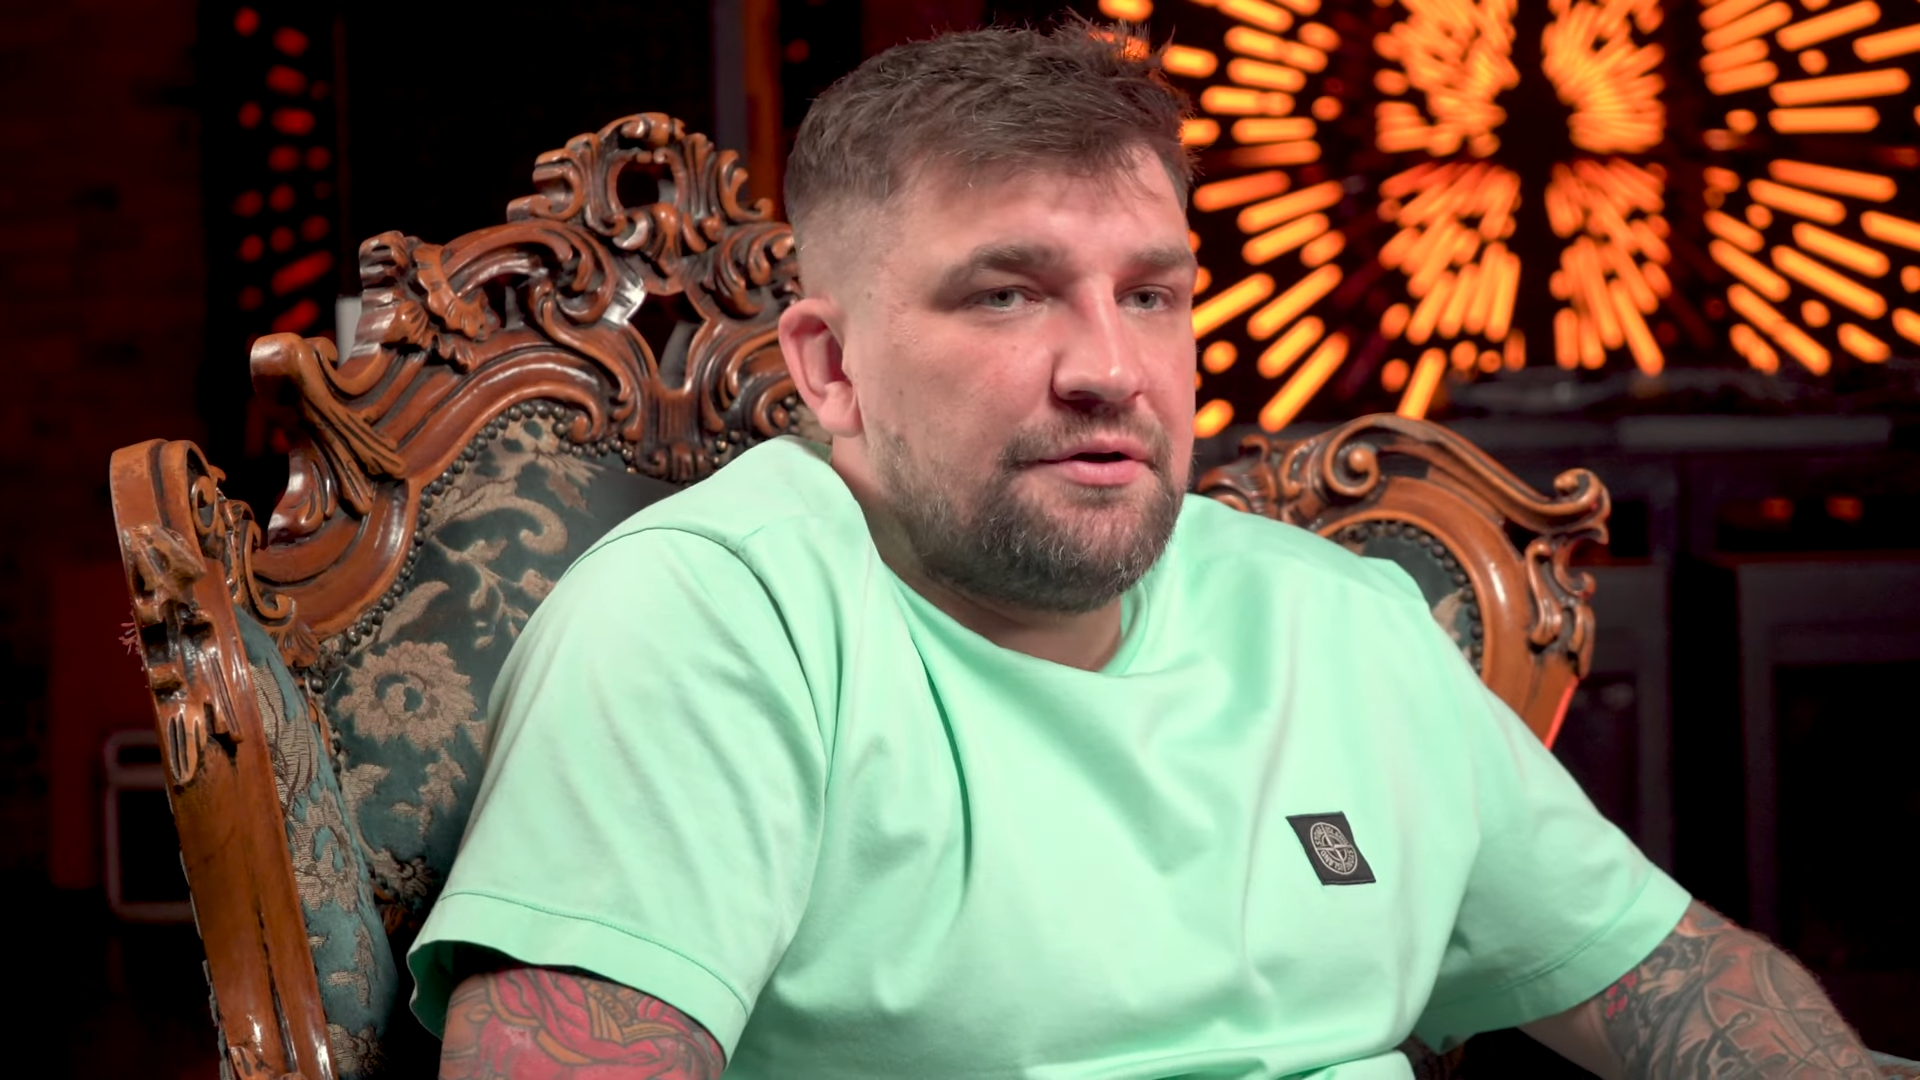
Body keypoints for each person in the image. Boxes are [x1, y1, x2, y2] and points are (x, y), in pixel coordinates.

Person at [409, 20, 1877, 1079]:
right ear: (832, 367)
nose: (1110, 369)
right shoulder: (711, 622)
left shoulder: (1336, 620)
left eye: (1152, 295)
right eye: (1008, 294)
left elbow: (1678, 985)